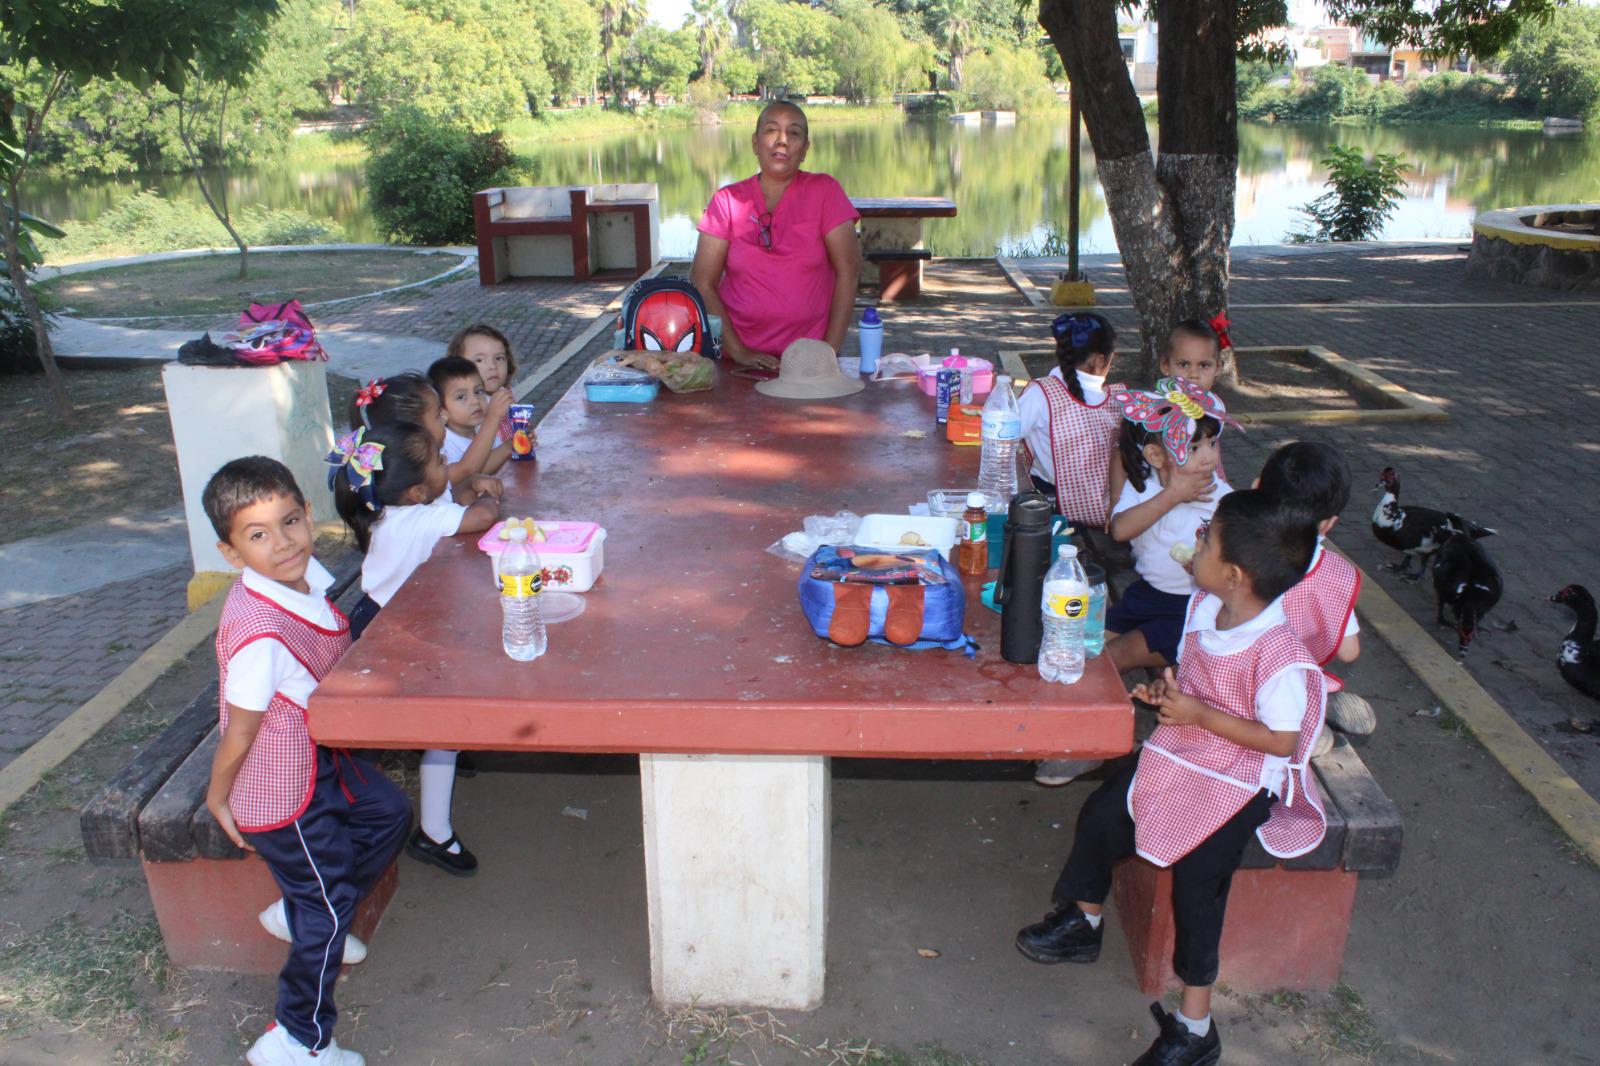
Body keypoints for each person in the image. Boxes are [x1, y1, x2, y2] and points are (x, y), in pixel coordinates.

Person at [1015, 490, 1328, 1066]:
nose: (1197, 545)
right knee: (1106, 812)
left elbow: (1283, 741)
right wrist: (1169, 692)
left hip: (1242, 776)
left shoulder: (1278, 653)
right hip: (1186, 748)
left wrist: (1201, 715)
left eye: (1206, 539)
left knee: (1199, 882)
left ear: (1232, 574)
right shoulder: (1208, 608)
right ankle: (1083, 921)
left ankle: (1195, 1025)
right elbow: (1191, 676)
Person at [202, 457, 411, 1066]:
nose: (284, 541)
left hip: (316, 761)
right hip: (278, 791)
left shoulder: (303, 579)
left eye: (290, 520)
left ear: (307, 515)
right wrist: (219, 797)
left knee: (389, 812)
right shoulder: (259, 635)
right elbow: (239, 734)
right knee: (327, 918)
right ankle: (296, 1040)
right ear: (232, 553)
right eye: (258, 535)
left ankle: (303, 909)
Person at [331, 422, 499, 876]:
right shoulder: (418, 519)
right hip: (394, 634)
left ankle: (430, 825)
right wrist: (487, 496)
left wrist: (462, 487)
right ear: (415, 490)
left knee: (419, 732)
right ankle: (429, 833)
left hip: (380, 619)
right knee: (394, 735)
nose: (450, 465)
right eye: (442, 461)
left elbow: (450, 498)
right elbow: (481, 519)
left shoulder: (392, 512)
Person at [689, 100, 861, 369]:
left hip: (809, 359)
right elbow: (702, 281)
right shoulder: (727, 201)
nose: (782, 141)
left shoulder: (826, 192)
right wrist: (739, 352)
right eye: (771, 130)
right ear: (755, 143)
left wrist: (827, 351)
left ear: (804, 149)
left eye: (794, 133)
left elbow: (849, 272)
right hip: (738, 361)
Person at [1103, 379, 1237, 673]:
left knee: (1114, 657)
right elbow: (1120, 530)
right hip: (1146, 595)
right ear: (1156, 456)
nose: (1208, 457)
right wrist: (1173, 495)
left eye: (1212, 444)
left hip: (1193, 609)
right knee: (1090, 648)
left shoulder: (1221, 497)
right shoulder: (1144, 488)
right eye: (1194, 447)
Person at [1256, 441, 1374, 744]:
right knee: (1304, 685)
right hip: (1287, 680)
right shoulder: (1332, 574)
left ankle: (1309, 722)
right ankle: (1310, 721)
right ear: (1329, 524)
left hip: (1231, 672)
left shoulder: (1234, 546)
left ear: (1257, 489)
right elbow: (1349, 651)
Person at [1018, 312, 1124, 530]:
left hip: (1048, 509)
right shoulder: (1118, 401)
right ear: (1100, 360)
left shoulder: (1041, 393)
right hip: (1105, 512)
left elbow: (1005, 434)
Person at [1108, 320, 1230, 508]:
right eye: (1183, 364)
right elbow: (1120, 452)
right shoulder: (1152, 410)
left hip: (1199, 493)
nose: (1193, 375)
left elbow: (1212, 447)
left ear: (1218, 367)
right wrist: (1115, 501)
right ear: (1165, 365)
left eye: (1204, 365)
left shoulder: (1215, 407)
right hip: (1153, 497)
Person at [427, 355, 513, 479]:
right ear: (442, 410)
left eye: (478, 392)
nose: (475, 401)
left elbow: (495, 459)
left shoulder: (481, 428)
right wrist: (493, 420)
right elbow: (470, 472)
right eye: (461, 397)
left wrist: (515, 444)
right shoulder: (445, 444)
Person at [446, 323, 528, 450]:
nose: (492, 366)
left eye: (499, 358)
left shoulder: (504, 392)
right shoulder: (468, 405)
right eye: (479, 360)